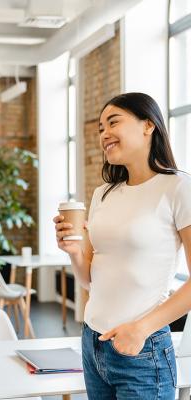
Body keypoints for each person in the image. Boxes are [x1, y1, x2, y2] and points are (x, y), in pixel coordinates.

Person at [54, 92, 191, 399]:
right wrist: (75, 252)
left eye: (113, 122)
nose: (105, 133)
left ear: (148, 126)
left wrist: (140, 329)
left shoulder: (178, 188)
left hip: (142, 351)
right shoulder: (102, 194)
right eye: (101, 128)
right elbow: (90, 280)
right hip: (93, 343)